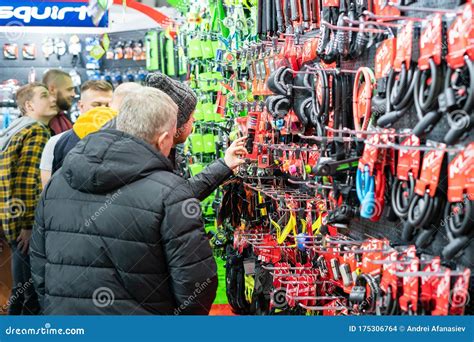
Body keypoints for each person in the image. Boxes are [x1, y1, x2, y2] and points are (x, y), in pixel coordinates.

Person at [30, 87, 247, 314]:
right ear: (163, 139)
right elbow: (195, 281)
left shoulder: (58, 181)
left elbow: (38, 263)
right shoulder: (168, 193)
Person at [0, 83, 57, 315]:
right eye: (44, 95)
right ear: (29, 105)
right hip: (25, 224)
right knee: (29, 291)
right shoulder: (36, 131)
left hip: (10, 217)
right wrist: (28, 225)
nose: (52, 98)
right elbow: (28, 181)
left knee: (20, 287)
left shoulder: (14, 129)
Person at [145, 72, 241, 201]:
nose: (194, 120)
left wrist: (225, 164)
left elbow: (182, 192)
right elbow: (179, 198)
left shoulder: (158, 154)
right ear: (178, 126)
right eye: (191, 116)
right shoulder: (154, 165)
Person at [39, 80, 114, 186]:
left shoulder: (124, 142)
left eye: (108, 105)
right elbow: (47, 187)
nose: (103, 110)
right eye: (97, 105)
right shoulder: (56, 142)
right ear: (81, 106)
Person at [42, 69, 76, 135]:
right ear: (52, 89)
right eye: (69, 89)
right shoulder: (40, 122)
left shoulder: (65, 118)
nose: (73, 94)